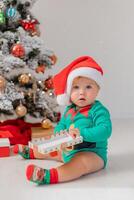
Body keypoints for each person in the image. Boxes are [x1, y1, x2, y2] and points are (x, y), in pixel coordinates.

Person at [13, 56, 112, 185]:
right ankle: (31, 151)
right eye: (76, 87)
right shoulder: (69, 110)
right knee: (52, 150)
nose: (82, 92)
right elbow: (61, 125)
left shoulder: (98, 110)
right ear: (69, 91)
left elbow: (105, 130)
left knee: (80, 163)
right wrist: (60, 136)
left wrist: (82, 133)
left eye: (88, 87)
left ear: (98, 89)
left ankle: (49, 175)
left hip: (92, 154)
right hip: (69, 149)